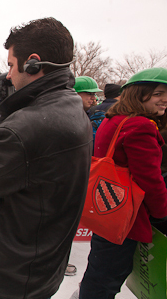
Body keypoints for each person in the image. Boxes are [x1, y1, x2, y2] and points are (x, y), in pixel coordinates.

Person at [0, 17, 92, 299]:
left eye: (11, 65)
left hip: (2, 278)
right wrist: (14, 100)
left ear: (33, 63)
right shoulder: (68, 105)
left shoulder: (30, 127)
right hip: (33, 267)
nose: (8, 75)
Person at [78, 68, 167, 299]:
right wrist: (161, 213)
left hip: (106, 208)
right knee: (106, 278)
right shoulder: (141, 126)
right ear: (138, 93)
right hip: (125, 214)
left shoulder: (115, 118)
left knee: (100, 271)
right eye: (158, 93)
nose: (165, 99)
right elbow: (150, 179)